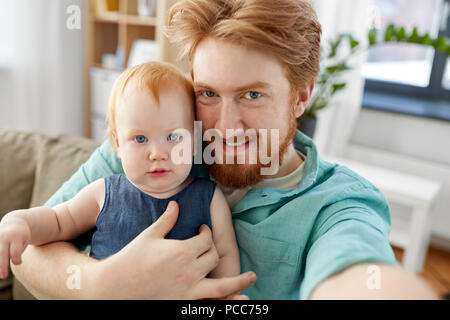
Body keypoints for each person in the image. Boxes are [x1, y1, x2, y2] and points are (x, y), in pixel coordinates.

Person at [11, 0, 437, 300]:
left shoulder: (338, 204)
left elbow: (360, 276)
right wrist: (103, 285)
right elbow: (25, 252)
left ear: (301, 96)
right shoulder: (149, 154)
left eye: (252, 94)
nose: (225, 126)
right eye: (208, 93)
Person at [0, 61, 240, 281]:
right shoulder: (103, 193)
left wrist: (226, 292)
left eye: (173, 136)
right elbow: (57, 221)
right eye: (140, 138)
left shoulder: (208, 198)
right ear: (117, 144)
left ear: (195, 139)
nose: (157, 153)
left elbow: (226, 254)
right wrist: (21, 222)